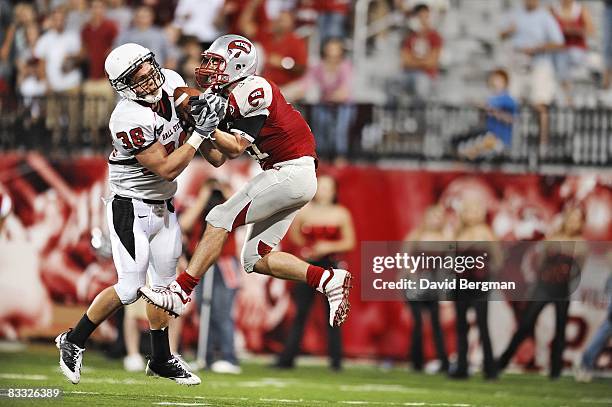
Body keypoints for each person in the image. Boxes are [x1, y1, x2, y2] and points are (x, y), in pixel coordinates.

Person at [139, 34, 353, 330]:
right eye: (209, 62)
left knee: (218, 217)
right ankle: (327, 278)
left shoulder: (254, 87)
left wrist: (197, 114)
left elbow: (235, 147)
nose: (209, 69)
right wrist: (197, 129)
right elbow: (217, 157)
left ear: (238, 66)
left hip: (290, 171)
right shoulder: (228, 97)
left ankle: (181, 290)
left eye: (217, 63)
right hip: (289, 175)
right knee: (255, 258)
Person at [54, 42, 223, 386]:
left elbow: (200, 124)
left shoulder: (172, 82)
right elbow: (166, 168)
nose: (148, 77)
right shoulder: (128, 117)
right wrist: (199, 134)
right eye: (137, 75)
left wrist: (205, 112)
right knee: (130, 287)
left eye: (148, 67)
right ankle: (73, 339)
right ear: (123, 84)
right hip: (131, 205)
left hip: (164, 205)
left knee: (162, 289)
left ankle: (160, 358)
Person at [275, 174, 355, 371]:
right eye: (322, 187)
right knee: (301, 312)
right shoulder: (305, 211)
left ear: (334, 192)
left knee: (333, 312)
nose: (324, 192)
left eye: (328, 188)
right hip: (309, 265)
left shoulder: (341, 213)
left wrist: (326, 247)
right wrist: (309, 247)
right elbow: (294, 234)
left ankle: (336, 361)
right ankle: (287, 358)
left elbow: (349, 241)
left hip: (332, 265)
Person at [497, 206, 586, 379]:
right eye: (571, 218)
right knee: (526, 325)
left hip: (562, 289)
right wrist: (545, 279)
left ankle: (556, 369)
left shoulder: (582, 245)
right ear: (565, 219)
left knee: (560, 329)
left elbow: (578, 269)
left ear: (581, 224)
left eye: (577, 220)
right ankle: (503, 361)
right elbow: (540, 262)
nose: (573, 223)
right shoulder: (553, 239)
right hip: (543, 287)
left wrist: (563, 277)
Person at [180, 179, 242, 374]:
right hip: (202, 263)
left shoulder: (229, 205)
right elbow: (184, 224)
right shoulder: (198, 206)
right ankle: (205, 356)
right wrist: (203, 196)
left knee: (221, 312)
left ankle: (228, 357)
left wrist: (226, 193)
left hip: (225, 264)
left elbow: (240, 214)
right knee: (203, 311)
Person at [449, 197, 501, 380]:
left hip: (479, 284)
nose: (473, 214)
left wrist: (485, 275)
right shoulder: (458, 233)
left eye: (476, 210)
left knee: (482, 325)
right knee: (461, 327)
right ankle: (462, 367)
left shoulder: (485, 232)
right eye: (469, 210)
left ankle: (490, 368)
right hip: (460, 283)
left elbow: (497, 258)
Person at [500, 0, 564, 147]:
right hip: (517, 64)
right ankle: (508, 144)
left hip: (539, 64)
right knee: (509, 104)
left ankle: (543, 145)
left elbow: (559, 43)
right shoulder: (515, 14)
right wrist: (508, 31)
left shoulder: (545, 17)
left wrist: (536, 48)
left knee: (540, 104)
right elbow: (500, 34)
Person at [403, 205, 450, 373]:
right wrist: (413, 278)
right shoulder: (415, 236)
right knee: (417, 323)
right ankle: (416, 362)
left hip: (434, 286)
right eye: (432, 216)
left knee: (436, 323)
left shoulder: (446, 239)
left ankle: (443, 361)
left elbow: (448, 267)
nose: (435, 220)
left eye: (438, 217)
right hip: (415, 284)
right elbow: (405, 261)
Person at [550, 0, 594, 103]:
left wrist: (573, 30)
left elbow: (590, 30)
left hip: (576, 51)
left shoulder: (581, 9)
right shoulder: (553, 10)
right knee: (560, 57)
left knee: (564, 58)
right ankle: (567, 95)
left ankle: (567, 95)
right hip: (559, 52)